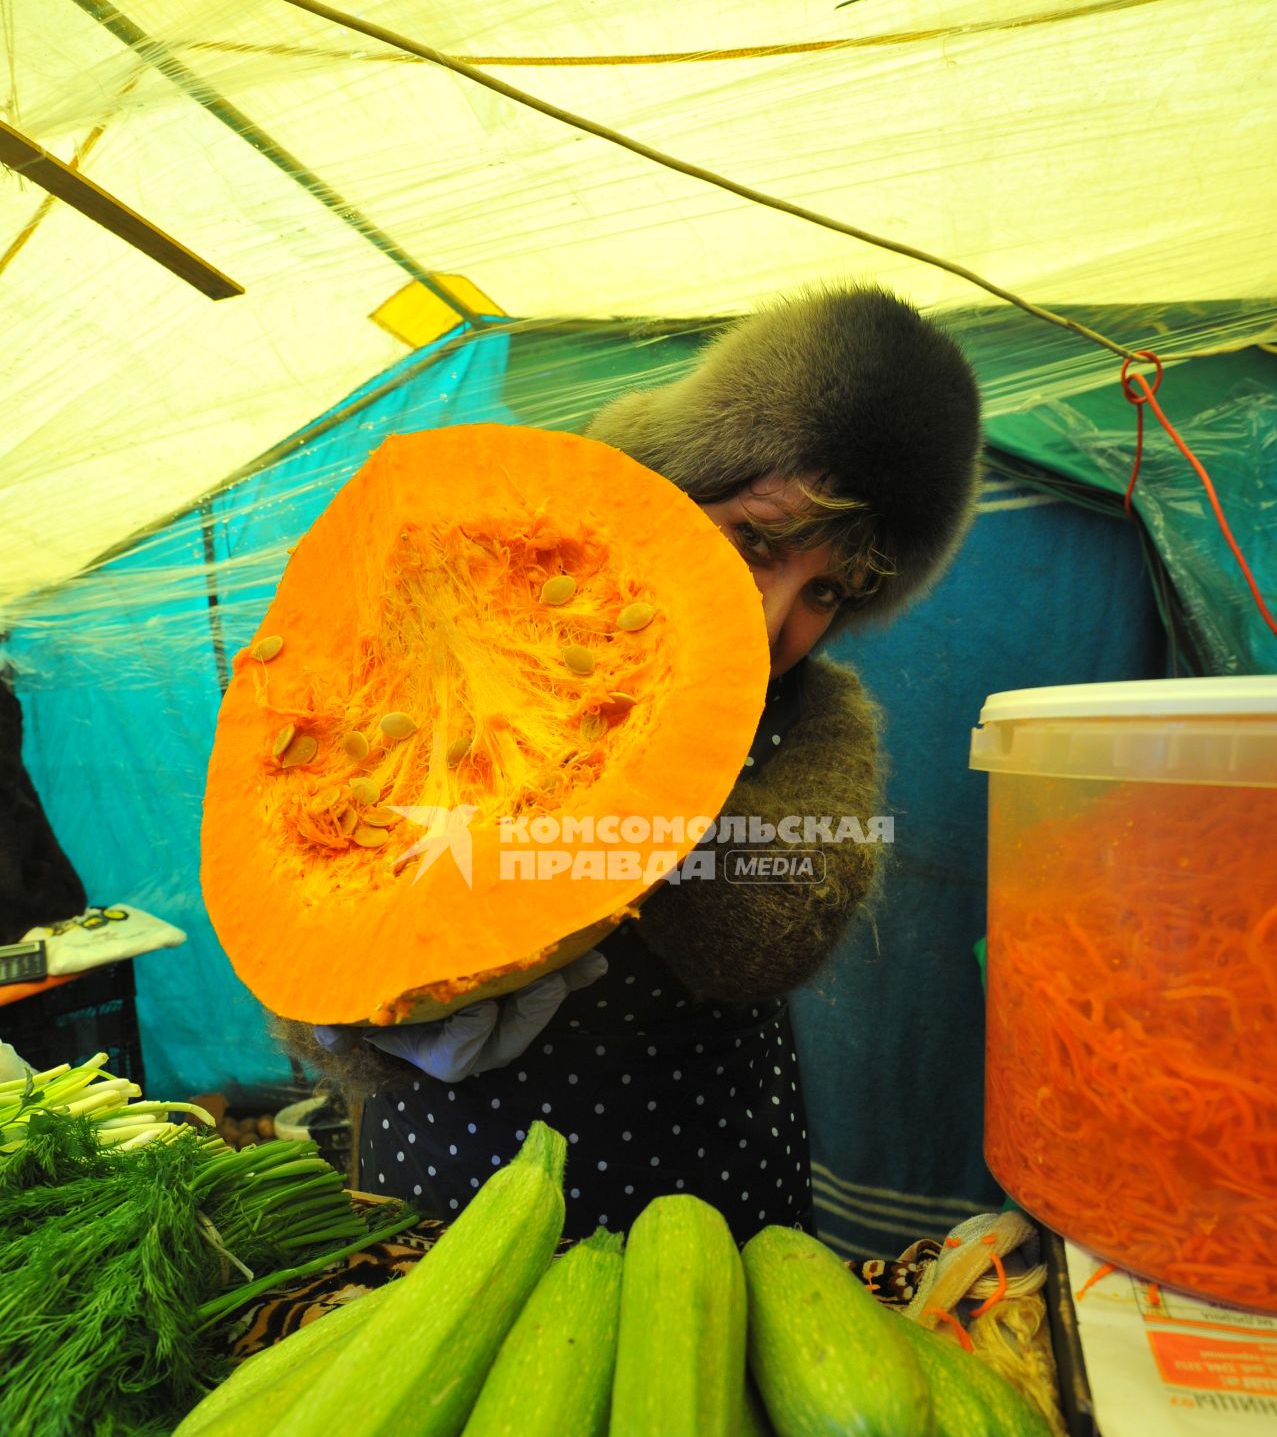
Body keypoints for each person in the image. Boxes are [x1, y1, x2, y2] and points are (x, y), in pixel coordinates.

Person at [293, 284, 982, 1241]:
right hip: (449, 1158)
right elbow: (317, 879)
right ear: (663, 488)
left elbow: (765, 937)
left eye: (824, 590)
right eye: (754, 540)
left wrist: (637, 730)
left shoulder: (820, 715)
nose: (775, 618)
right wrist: (349, 1029)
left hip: (695, 1179)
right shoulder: (469, 649)